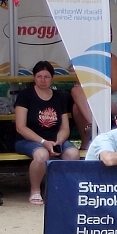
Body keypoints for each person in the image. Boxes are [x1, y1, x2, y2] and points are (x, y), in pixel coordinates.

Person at [14, 60, 81, 204]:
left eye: (46, 77)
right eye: (39, 76)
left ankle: (64, 188)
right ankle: (35, 190)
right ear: (34, 77)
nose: (43, 80)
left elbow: (65, 127)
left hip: (53, 138)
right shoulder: (26, 95)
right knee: (41, 155)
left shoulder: (59, 97)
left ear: (52, 78)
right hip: (28, 139)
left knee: (73, 154)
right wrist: (43, 142)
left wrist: (59, 141)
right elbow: (20, 127)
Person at [69, 51, 117, 140]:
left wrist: (93, 87)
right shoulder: (84, 59)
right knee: (76, 100)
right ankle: (92, 129)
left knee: (82, 105)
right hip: (90, 98)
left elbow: (114, 86)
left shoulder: (111, 58)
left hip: (110, 98)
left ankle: (93, 128)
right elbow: (80, 85)